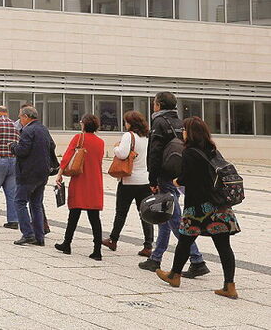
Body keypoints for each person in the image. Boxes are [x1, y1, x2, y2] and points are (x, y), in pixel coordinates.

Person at [156, 117, 240, 299]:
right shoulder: (212, 150)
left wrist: (176, 181)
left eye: (185, 130)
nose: (183, 133)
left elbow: (186, 178)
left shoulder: (189, 152)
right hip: (219, 206)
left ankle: (174, 276)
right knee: (224, 246)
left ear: (190, 133)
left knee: (185, 241)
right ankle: (229, 285)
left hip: (198, 208)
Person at [141, 92, 210, 277]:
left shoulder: (159, 122)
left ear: (159, 105)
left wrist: (152, 179)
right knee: (166, 215)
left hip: (165, 175)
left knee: (173, 218)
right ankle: (155, 258)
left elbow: (155, 152)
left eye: (154, 103)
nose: (153, 106)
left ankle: (197, 260)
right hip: (177, 174)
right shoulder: (180, 122)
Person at [54, 114, 106, 260]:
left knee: (74, 214)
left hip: (80, 179)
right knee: (95, 217)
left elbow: (67, 157)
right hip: (95, 181)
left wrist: (60, 173)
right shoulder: (101, 142)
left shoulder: (79, 138)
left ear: (83, 124)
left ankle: (67, 243)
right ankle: (97, 250)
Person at [102, 111, 153, 257]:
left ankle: (113, 239)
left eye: (126, 121)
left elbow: (122, 154)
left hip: (129, 180)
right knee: (144, 213)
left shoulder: (128, 136)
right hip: (144, 180)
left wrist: (115, 148)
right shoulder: (146, 137)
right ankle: (148, 245)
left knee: (121, 212)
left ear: (130, 123)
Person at [8, 106, 54, 246]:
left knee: (20, 202)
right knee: (36, 204)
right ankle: (39, 237)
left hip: (28, 173)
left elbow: (22, 151)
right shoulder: (43, 129)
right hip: (42, 172)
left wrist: (13, 146)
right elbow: (52, 145)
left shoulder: (28, 130)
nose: (20, 120)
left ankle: (28, 234)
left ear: (26, 117)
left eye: (20, 117)